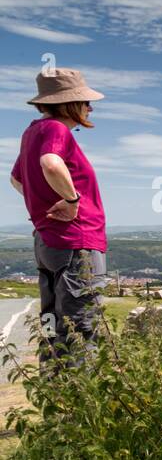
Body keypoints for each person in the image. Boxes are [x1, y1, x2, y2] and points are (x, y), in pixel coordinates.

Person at [7, 68, 108, 364]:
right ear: (69, 103)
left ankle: (54, 388)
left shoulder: (32, 132)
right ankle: (79, 403)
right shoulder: (56, 130)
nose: (90, 107)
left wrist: (42, 205)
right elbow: (50, 164)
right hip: (76, 240)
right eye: (85, 101)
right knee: (81, 324)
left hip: (48, 241)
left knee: (52, 321)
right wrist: (71, 199)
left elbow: (17, 180)